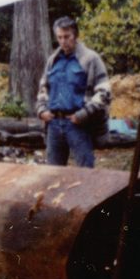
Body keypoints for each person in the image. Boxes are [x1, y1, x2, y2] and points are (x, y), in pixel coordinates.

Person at [35, 16, 111, 168]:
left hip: (78, 125)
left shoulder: (91, 59)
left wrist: (83, 115)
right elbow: (43, 89)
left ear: (75, 35)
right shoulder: (52, 60)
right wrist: (41, 110)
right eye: (59, 37)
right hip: (54, 124)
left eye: (67, 37)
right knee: (52, 174)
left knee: (85, 172)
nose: (63, 41)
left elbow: (104, 93)